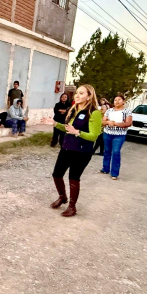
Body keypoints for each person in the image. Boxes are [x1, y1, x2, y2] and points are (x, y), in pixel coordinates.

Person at [50, 84, 102, 217]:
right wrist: (54, 123)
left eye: (81, 93)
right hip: (67, 147)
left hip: (81, 151)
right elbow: (68, 128)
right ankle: (62, 197)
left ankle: (72, 207)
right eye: (77, 93)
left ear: (89, 96)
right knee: (56, 174)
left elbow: (94, 136)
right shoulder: (73, 109)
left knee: (73, 178)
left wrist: (77, 132)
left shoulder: (94, 113)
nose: (77, 95)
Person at [100, 95, 133, 180]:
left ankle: (114, 173)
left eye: (119, 100)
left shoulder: (127, 111)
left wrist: (115, 123)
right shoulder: (109, 110)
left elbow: (128, 123)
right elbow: (103, 121)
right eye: (115, 100)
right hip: (107, 133)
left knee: (116, 152)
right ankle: (105, 168)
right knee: (107, 151)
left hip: (119, 135)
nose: (117, 101)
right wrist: (108, 122)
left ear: (123, 101)